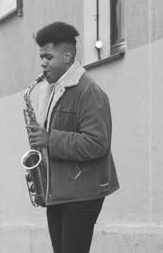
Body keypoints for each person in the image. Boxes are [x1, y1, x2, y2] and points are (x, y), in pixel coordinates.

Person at [28, 21, 119, 253]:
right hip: (59, 190)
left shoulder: (89, 92)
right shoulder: (52, 90)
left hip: (82, 192)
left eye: (48, 57)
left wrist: (50, 140)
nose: (43, 63)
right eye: (41, 57)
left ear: (67, 55)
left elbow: (98, 143)